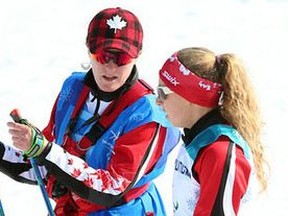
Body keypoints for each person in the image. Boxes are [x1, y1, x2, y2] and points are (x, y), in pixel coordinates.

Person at [0, 7, 181, 215]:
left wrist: (47, 151)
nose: (111, 67)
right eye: (103, 56)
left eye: (121, 58)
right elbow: (43, 168)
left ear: (137, 55)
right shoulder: (74, 89)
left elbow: (112, 190)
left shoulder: (146, 113)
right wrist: (37, 151)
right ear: (89, 51)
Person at [156, 47, 268, 215]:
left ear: (192, 96)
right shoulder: (194, 136)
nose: (158, 101)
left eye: (163, 93)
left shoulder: (219, 153)